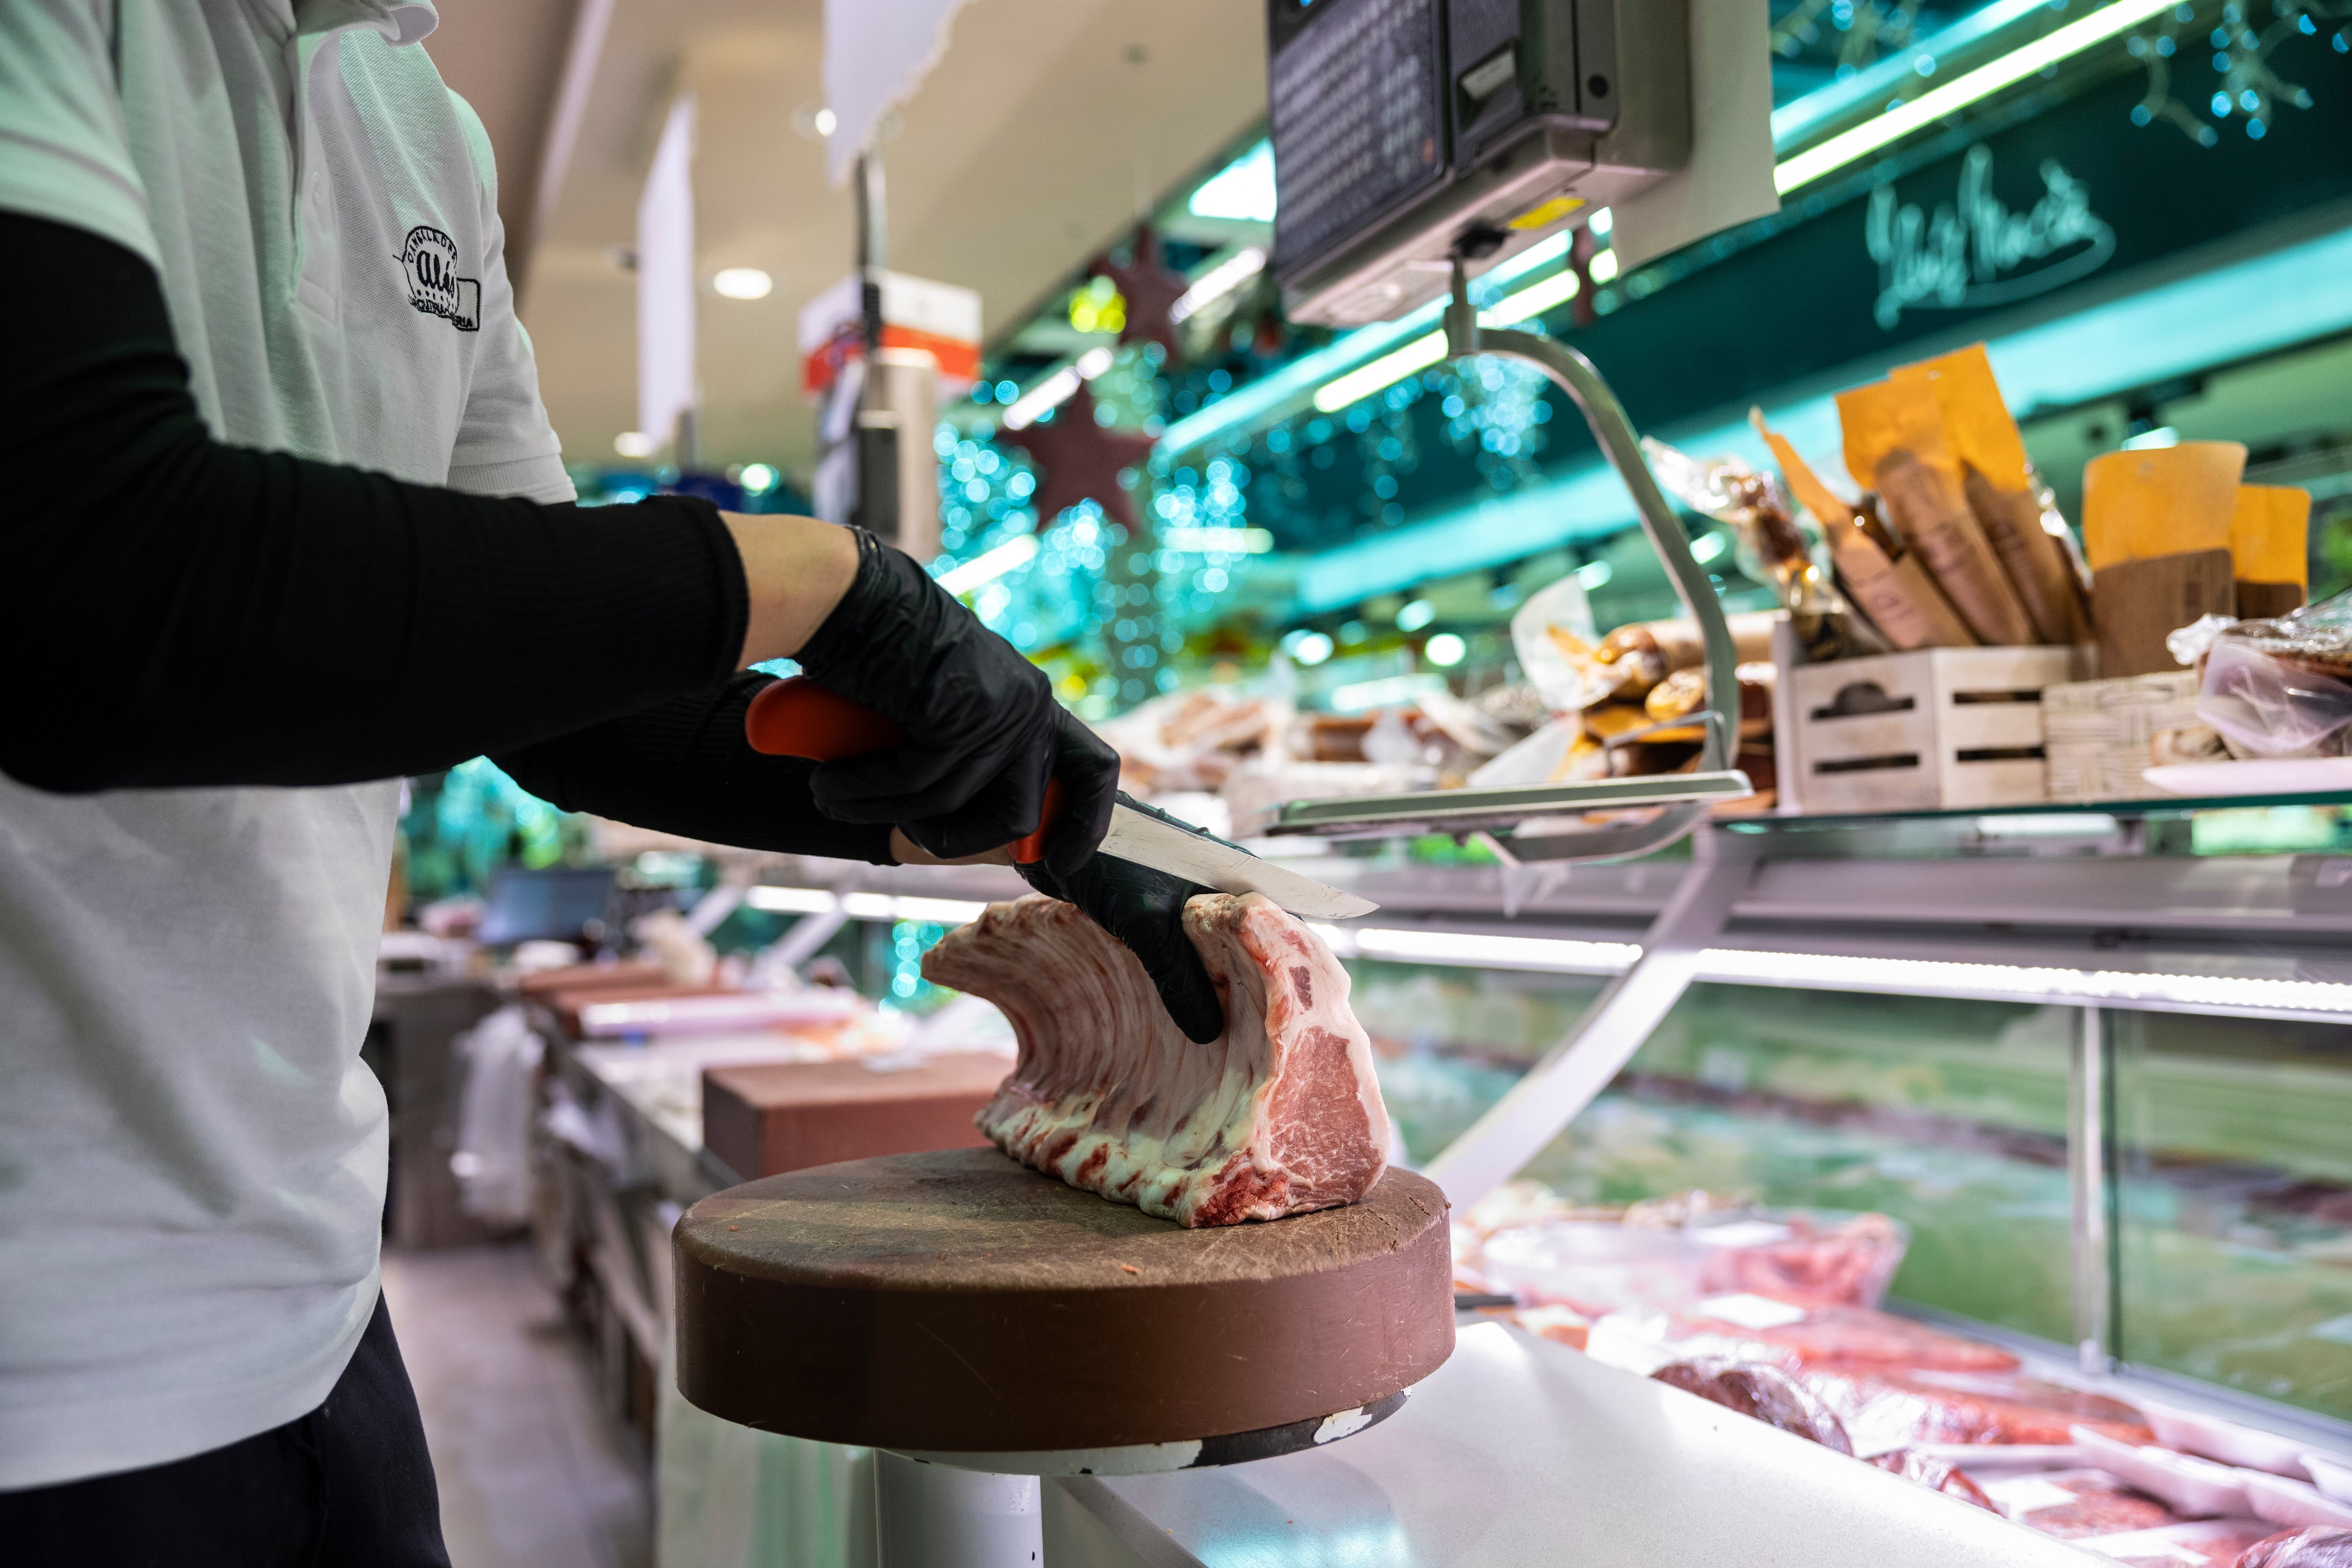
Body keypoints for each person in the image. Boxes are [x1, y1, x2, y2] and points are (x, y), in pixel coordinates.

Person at [0, 3, 1217, 1560]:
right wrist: (827, 582)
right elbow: (101, 590)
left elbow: (568, 707)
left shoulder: (420, 122)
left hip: (311, 1313)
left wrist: (932, 800)